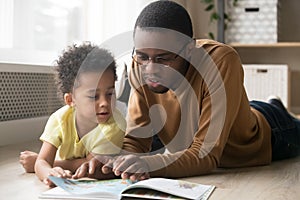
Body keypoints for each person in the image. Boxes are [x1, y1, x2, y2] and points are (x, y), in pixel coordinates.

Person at [73, 0, 300, 181]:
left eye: (163, 58)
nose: (150, 69)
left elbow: (205, 154)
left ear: (189, 50)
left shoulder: (221, 60)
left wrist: (149, 164)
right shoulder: (139, 66)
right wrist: (112, 164)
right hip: (198, 126)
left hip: (270, 131)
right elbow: (136, 142)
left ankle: (276, 106)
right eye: (142, 56)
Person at [19, 42, 126, 186]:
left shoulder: (115, 125)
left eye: (110, 93)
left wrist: (51, 164)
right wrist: (48, 173)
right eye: (93, 96)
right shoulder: (60, 119)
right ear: (70, 100)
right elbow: (42, 162)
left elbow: (89, 167)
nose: (104, 103)